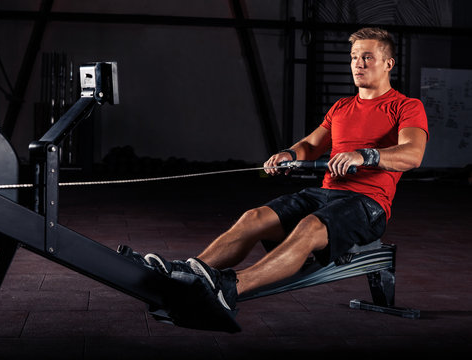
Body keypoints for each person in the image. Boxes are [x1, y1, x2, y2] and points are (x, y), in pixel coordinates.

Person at [143, 27, 429, 313]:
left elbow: (413, 155)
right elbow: (310, 145)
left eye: (367, 57)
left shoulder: (406, 106)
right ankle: (188, 274)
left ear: (388, 63)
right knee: (254, 218)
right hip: (326, 195)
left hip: (369, 205)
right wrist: (289, 154)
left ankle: (230, 287)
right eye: (354, 57)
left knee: (309, 226)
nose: (358, 64)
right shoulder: (342, 107)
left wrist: (363, 155)